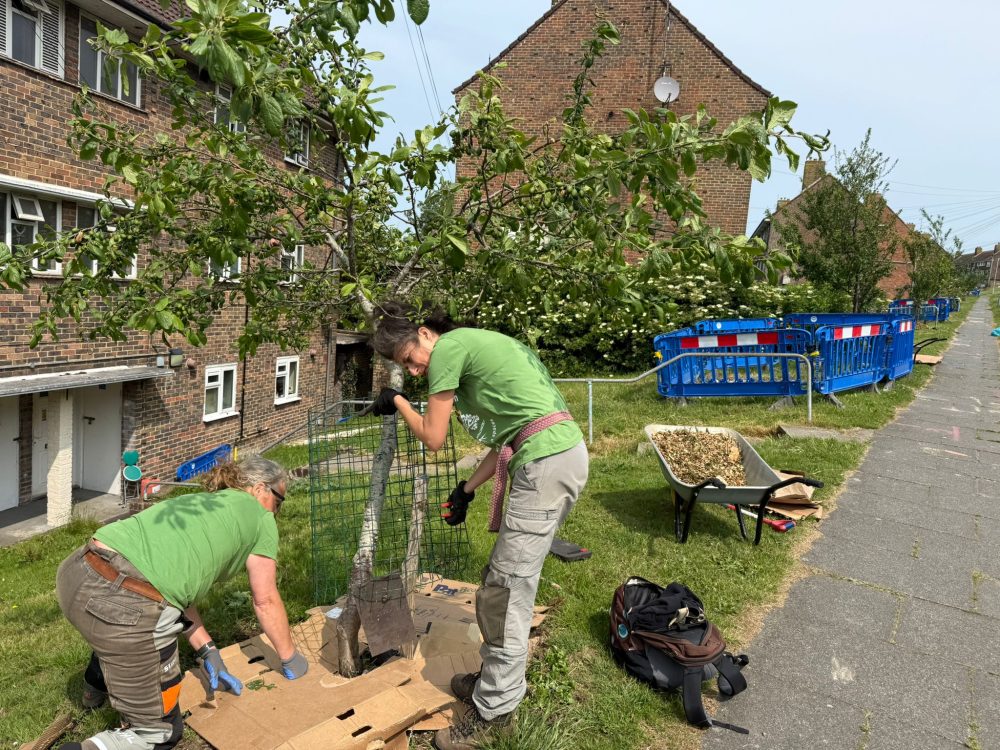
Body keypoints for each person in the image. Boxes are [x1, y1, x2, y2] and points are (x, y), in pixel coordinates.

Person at [371, 301, 589, 750]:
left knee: (506, 593)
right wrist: (466, 490)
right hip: (550, 457)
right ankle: (495, 681)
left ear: (425, 334)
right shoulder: (473, 347)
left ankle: (496, 712)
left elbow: (433, 438)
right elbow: (512, 436)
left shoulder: (450, 347)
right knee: (499, 583)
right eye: (404, 369)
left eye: (409, 359)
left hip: (546, 465)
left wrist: (395, 400)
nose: (413, 372)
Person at [55, 455, 308, 750]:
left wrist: (208, 649)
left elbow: (171, 586)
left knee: (118, 626)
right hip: (124, 603)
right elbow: (265, 600)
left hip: (76, 574)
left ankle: (92, 693)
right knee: (162, 735)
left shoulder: (199, 503)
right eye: (279, 501)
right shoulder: (261, 518)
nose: (277, 511)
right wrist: (290, 658)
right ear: (260, 489)